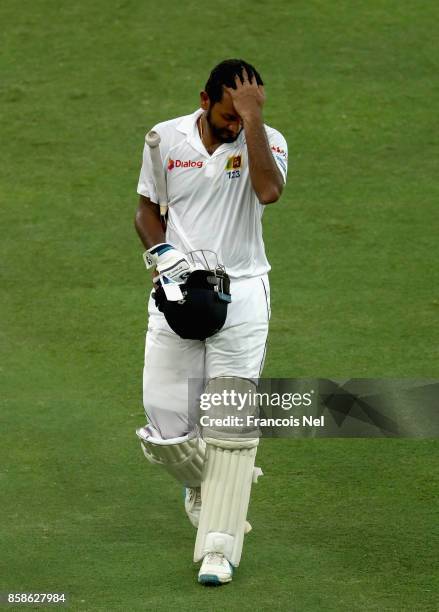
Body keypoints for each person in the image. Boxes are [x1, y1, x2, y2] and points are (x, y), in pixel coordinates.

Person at [134, 59, 288, 585]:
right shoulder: (163, 140)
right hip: (178, 291)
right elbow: (146, 208)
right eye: (226, 115)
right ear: (204, 100)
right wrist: (162, 253)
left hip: (241, 296)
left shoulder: (264, 141)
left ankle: (218, 551)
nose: (232, 126)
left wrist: (252, 123)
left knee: (228, 428)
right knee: (165, 428)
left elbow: (268, 192)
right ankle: (213, 481)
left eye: (240, 116)